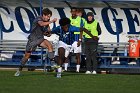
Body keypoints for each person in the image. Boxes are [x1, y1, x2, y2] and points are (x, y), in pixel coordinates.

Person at [14, 8, 57, 76]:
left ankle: (52, 63)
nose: (48, 18)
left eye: (50, 17)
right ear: (44, 15)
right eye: (48, 16)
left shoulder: (47, 23)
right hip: (33, 40)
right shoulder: (38, 18)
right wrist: (51, 21)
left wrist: (48, 33)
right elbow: (41, 24)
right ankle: (19, 69)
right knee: (27, 56)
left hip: (40, 39)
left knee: (50, 45)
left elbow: (48, 32)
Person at [63, 8, 85, 72]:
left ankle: (77, 70)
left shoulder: (80, 19)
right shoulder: (68, 20)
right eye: (72, 11)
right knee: (66, 54)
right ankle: (65, 69)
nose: (73, 13)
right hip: (69, 39)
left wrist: (80, 40)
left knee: (77, 55)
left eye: (74, 11)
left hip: (77, 38)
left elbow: (81, 30)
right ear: (70, 12)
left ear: (76, 12)